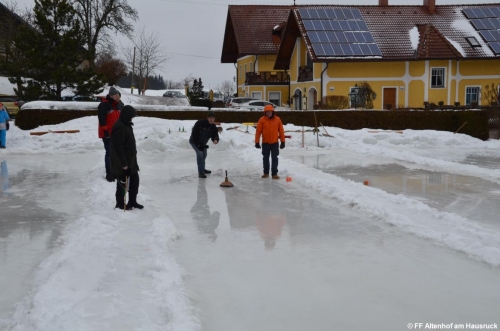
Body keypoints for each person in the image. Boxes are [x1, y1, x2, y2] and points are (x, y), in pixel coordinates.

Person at [110, 105, 143, 210]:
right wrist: (124, 164)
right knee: (122, 184)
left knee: (134, 182)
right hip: (122, 163)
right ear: (127, 115)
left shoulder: (127, 124)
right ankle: (120, 204)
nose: (132, 118)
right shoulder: (119, 126)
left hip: (131, 161)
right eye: (131, 116)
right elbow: (117, 148)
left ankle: (132, 201)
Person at [254, 104, 285, 179]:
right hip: (265, 143)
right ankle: (266, 173)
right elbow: (258, 131)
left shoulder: (277, 119)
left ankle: (274, 173)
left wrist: (283, 141)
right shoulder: (262, 120)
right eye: (266, 112)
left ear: (272, 112)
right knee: (265, 158)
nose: (268, 113)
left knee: (274, 158)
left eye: (269, 112)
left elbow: (281, 131)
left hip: (274, 143)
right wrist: (257, 142)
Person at [98, 86, 122, 182]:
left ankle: (115, 171)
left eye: (118, 96)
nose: (118, 97)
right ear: (111, 96)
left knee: (116, 154)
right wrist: (105, 131)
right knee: (109, 153)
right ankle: (109, 173)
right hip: (107, 133)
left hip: (118, 133)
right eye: (116, 96)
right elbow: (102, 119)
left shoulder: (119, 105)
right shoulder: (104, 105)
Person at [189, 111, 220, 178]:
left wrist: (215, 139)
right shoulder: (200, 123)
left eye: (213, 118)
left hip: (203, 143)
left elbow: (215, 135)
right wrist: (198, 145)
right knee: (200, 154)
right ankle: (201, 172)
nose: (211, 119)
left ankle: (202, 168)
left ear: (214, 119)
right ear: (207, 118)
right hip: (194, 141)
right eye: (210, 118)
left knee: (204, 155)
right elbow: (194, 134)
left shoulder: (213, 127)